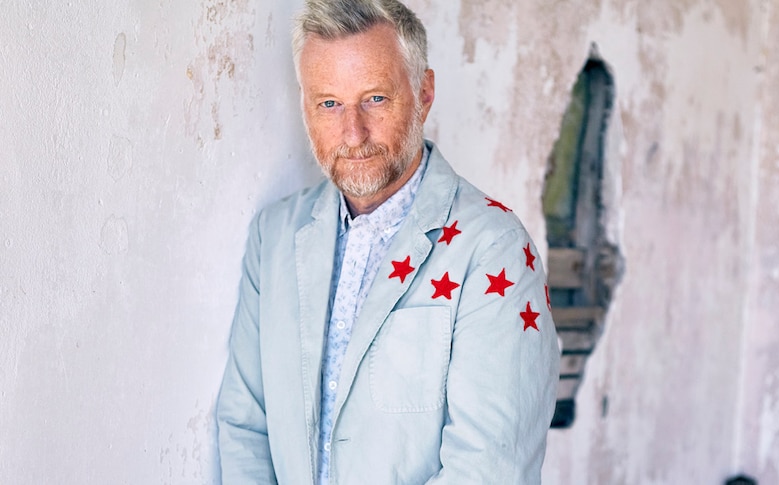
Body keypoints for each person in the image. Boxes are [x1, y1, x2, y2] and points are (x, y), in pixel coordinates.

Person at [215, 1, 560, 483]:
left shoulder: (495, 251)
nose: (352, 134)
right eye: (329, 103)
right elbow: (244, 426)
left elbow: (489, 470)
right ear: (304, 105)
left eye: (375, 98)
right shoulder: (273, 237)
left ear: (423, 92)